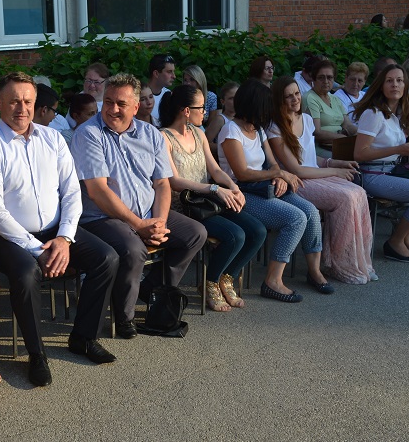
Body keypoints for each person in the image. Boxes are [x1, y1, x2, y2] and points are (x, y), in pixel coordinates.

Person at [0, 72, 119, 387]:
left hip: (56, 232)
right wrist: (37, 249)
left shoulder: (52, 139)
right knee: (27, 273)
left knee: (106, 258)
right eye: (14, 101)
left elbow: (71, 192)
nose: (22, 108)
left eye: (28, 101)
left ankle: (83, 338)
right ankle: (37, 354)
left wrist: (64, 238)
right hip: (8, 238)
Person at [71, 73, 207, 337]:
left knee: (195, 233)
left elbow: (162, 183)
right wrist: (139, 225)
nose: (112, 109)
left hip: (146, 214)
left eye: (121, 104)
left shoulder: (150, 134)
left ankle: (153, 291)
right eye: (108, 101)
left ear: (135, 107)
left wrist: (160, 223)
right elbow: (98, 191)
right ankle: (125, 316)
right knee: (134, 249)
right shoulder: (88, 134)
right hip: (102, 217)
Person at [218, 79, 328, 302]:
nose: (269, 110)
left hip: (262, 188)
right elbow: (242, 173)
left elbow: (273, 163)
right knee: (295, 218)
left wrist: (277, 175)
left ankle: (314, 271)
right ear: (254, 105)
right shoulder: (231, 131)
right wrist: (277, 174)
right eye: (266, 106)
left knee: (310, 211)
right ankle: (272, 281)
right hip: (240, 193)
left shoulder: (258, 129)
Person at [159, 85, 266, 311]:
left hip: (208, 202)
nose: (205, 112)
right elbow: (174, 181)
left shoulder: (198, 133)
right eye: (201, 108)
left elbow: (215, 170)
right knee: (234, 235)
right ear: (186, 110)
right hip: (186, 207)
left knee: (258, 231)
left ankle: (226, 277)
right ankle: (210, 283)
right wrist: (215, 189)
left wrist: (233, 187)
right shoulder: (164, 137)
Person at [268, 76, 376, 284]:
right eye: (288, 96)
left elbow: (310, 157)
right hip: (297, 182)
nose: (295, 99)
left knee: (359, 192)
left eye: (297, 94)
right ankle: (338, 263)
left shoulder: (307, 120)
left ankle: (359, 260)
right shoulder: (275, 128)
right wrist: (334, 171)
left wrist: (334, 163)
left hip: (315, 174)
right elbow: (296, 169)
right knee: (345, 197)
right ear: (279, 100)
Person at [353, 64, 409, 262]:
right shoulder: (373, 114)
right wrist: (398, 149)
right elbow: (360, 153)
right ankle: (396, 240)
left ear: (405, 85)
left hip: (391, 171)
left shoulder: (395, 114)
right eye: (389, 81)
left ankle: (404, 237)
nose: (395, 85)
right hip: (372, 175)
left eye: (399, 81)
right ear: (381, 85)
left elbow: (393, 147)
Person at [303, 60, 358, 157]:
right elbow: (316, 132)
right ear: (314, 79)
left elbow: (347, 125)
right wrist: (343, 138)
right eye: (321, 77)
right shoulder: (310, 98)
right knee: (354, 158)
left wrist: (362, 134)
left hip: (340, 145)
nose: (326, 81)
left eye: (329, 77)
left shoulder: (335, 99)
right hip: (319, 148)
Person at [204, 81, 239, 155]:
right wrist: (225, 148)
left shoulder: (243, 118)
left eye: (238, 97)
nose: (236, 101)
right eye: (231, 98)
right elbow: (205, 143)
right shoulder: (220, 120)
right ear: (223, 101)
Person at [148, 54, 177, 122]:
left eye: (173, 71)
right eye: (169, 72)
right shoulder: (139, 95)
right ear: (156, 73)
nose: (174, 76)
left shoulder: (169, 95)